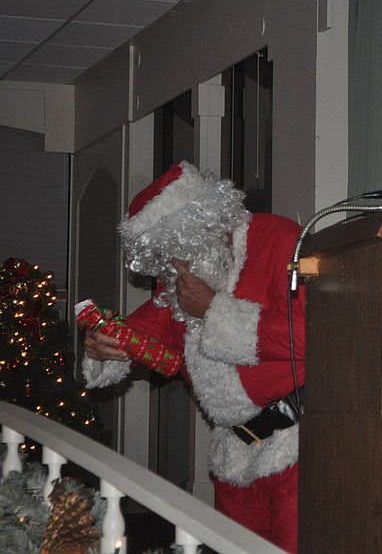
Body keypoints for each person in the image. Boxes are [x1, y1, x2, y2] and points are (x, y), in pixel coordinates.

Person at [81, 161, 305, 552]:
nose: (173, 268)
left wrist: (215, 309)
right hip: (234, 453)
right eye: (164, 257)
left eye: (177, 250)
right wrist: (107, 345)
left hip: (297, 445)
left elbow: (310, 336)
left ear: (205, 220)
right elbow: (149, 330)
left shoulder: (278, 238)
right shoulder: (183, 278)